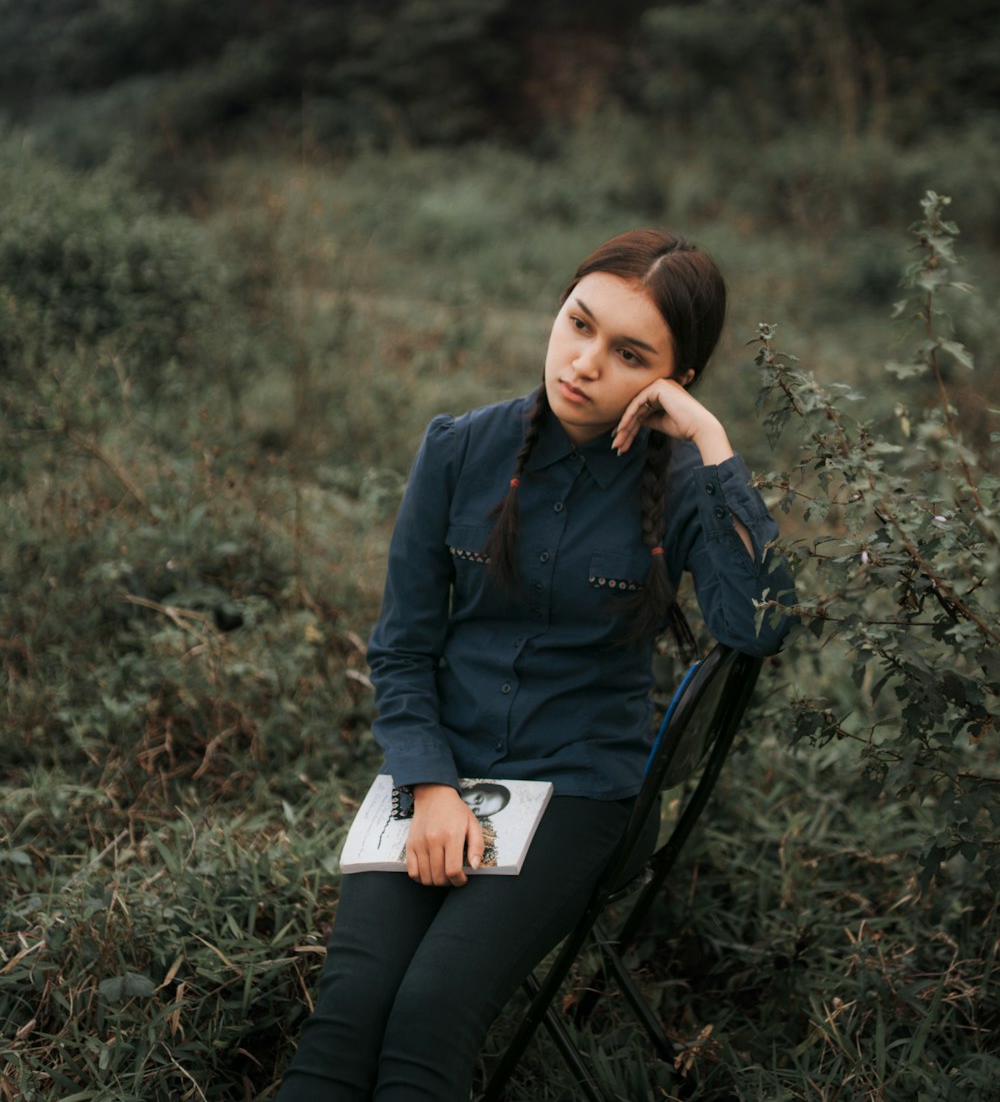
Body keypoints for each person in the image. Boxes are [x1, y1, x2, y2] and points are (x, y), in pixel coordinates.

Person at [275, 228, 795, 1102]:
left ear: (673, 380)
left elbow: (759, 626)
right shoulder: (458, 450)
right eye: (578, 324)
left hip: (579, 792)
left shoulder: (681, 484)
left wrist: (707, 437)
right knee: (347, 1018)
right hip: (435, 767)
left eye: (629, 354)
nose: (584, 363)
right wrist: (431, 788)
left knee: (431, 1014)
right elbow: (401, 648)